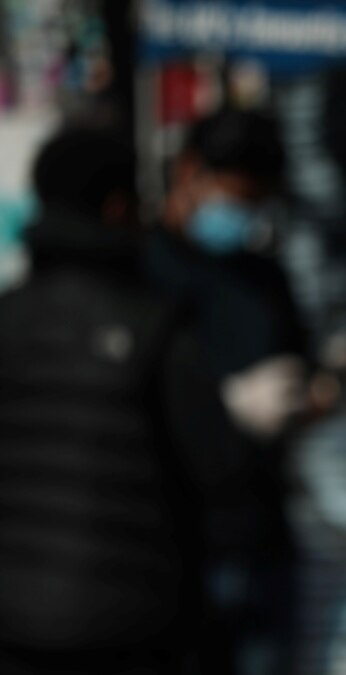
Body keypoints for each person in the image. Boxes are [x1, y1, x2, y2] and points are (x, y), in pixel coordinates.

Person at [0, 122, 232, 674]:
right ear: (115, 207)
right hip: (134, 632)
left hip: (12, 630)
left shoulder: (5, 319)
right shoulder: (156, 326)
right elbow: (221, 470)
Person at [145, 107, 308, 675]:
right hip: (170, 545)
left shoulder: (264, 280)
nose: (240, 217)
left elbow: (301, 367)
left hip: (259, 536)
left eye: (253, 204)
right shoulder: (141, 274)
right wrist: (223, 409)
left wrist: (308, 397)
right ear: (190, 172)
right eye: (235, 199)